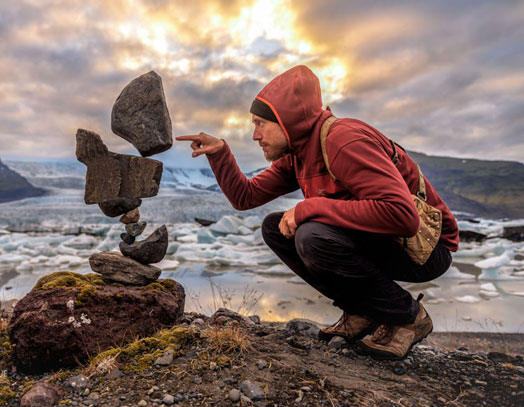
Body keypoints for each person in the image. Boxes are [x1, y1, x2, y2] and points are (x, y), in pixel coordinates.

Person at [176, 65, 459, 360]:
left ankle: (409, 316)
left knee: (311, 235)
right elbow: (245, 196)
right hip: (387, 240)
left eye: (260, 123)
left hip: (427, 249)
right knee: (276, 228)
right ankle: (364, 311)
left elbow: (402, 215)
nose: (255, 135)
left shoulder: (342, 139)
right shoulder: (299, 154)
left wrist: (309, 207)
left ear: (286, 120)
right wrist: (220, 152)